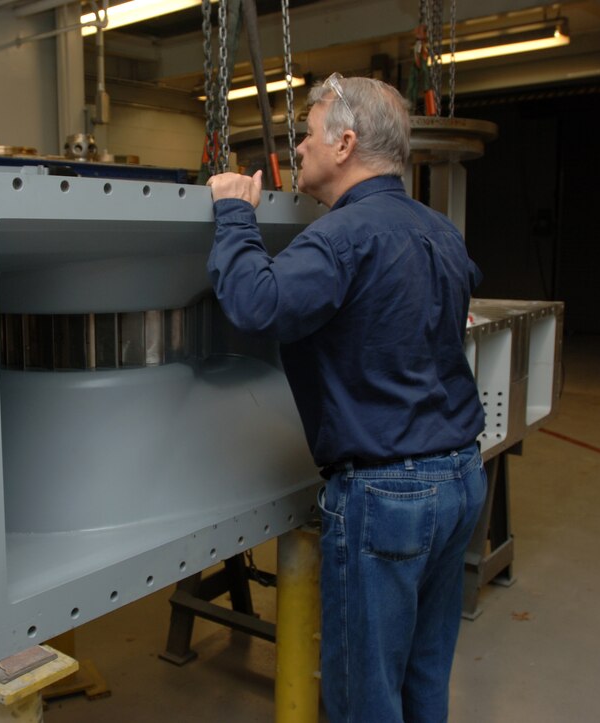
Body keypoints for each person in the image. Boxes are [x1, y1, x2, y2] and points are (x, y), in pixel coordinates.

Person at [206, 73, 488, 722]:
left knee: (365, 694)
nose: (298, 149)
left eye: (306, 135)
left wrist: (233, 214)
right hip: (461, 478)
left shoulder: (345, 235)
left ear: (345, 144)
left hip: (391, 496)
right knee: (422, 674)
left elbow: (256, 304)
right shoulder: (439, 230)